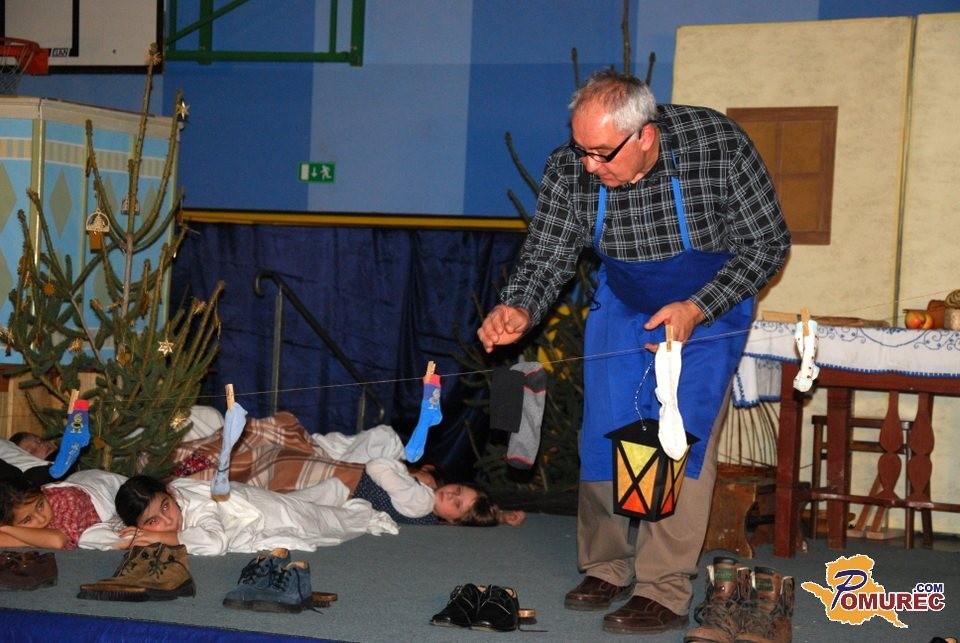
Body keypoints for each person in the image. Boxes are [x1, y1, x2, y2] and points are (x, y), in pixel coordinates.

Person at [477, 69, 790, 635]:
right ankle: (606, 566)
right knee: (605, 431)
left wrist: (697, 307)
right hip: (623, 302)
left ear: (645, 135)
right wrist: (519, 306)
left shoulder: (717, 146)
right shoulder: (572, 165)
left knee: (679, 437)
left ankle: (662, 589)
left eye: (602, 154)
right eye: (582, 150)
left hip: (707, 304)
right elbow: (548, 253)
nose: (589, 166)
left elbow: (767, 244)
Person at [168, 412, 526, 527]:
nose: (449, 494)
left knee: (273, 467)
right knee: (272, 468)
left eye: (456, 503)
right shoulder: (427, 507)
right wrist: (503, 515)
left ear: (452, 521)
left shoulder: (420, 500)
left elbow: (379, 466)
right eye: (458, 490)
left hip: (344, 481)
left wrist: (399, 471)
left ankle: (192, 466)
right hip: (340, 476)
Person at [0, 470, 127, 550]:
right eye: (27, 520)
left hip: (113, 489)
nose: (41, 518)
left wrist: (6, 529)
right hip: (82, 479)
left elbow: (58, 541)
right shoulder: (26, 508)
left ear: (43, 493)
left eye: (40, 505)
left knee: (90, 538)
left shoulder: (67, 500)